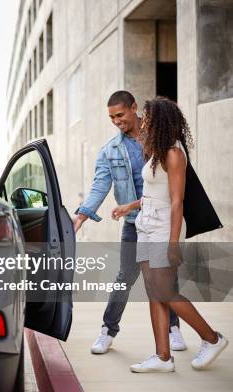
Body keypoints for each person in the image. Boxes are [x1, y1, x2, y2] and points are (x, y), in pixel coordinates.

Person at [112, 97, 228, 372]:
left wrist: (173, 244)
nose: (144, 121)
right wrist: (131, 205)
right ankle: (163, 357)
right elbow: (154, 192)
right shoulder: (156, 151)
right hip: (147, 224)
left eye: (148, 117)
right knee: (153, 291)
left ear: (161, 120)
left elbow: (177, 201)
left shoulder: (174, 153)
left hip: (165, 227)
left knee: (164, 290)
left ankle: (212, 338)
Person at [73, 91, 185, 354]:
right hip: (135, 223)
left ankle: (174, 329)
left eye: (120, 115)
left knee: (166, 275)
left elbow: (172, 187)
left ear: (134, 108)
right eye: (112, 118)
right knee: (125, 276)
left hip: (160, 218)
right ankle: (107, 331)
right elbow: (100, 185)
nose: (116, 121)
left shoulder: (161, 140)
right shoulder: (109, 151)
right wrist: (83, 214)